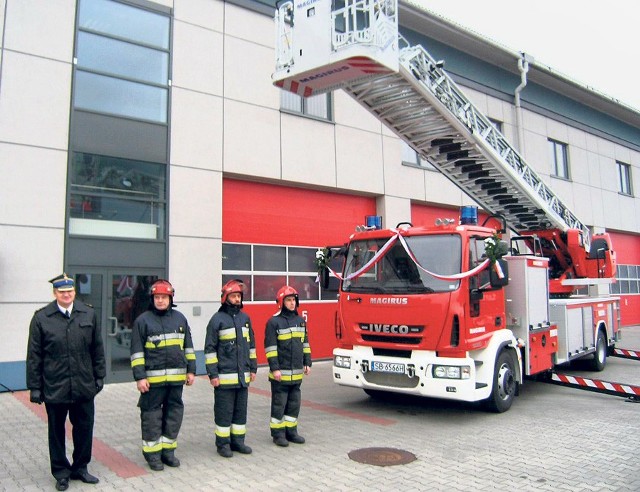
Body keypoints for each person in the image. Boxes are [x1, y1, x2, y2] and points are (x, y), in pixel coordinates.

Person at [26, 273, 106, 491]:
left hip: (83, 384)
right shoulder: (42, 318)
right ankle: (61, 472)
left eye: (70, 291)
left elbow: (97, 348)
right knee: (56, 431)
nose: (67, 295)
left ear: (74, 292)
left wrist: (99, 375)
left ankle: (81, 467)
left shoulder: (88, 313)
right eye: (62, 292)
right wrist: (35, 387)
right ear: (55, 294)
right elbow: (34, 356)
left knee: (84, 428)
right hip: (55, 385)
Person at [130, 279, 196, 471]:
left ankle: (168, 451)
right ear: (152, 299)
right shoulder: (143, 321)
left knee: (173, 415)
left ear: (170, 298)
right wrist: (140, 377)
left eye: (164, 297)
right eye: (157, 297)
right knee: (152, 417)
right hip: (152, 382)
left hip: (176, 381)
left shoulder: (180, 319)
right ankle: (152, 455)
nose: (160, 301)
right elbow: (136, 352)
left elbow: (188, 347)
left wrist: (191, 370)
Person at [204, 279, 257, 458]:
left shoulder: (245, 318)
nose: (236, 299)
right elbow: (210, 349)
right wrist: (213, 374)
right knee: (224, 412)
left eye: (239, 296)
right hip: (224, 378)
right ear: (226, 298)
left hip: (242, 378)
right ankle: (223, 444)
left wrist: (253, 369)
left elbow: (251, 345)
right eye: (233, 296)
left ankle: (238, 442)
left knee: (240, 412)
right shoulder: (217, 320)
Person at [264, 286, 312, 447]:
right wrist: (275, 368)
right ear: (281, 302)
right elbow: (270, 348)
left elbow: (305, 343)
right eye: (288, 300)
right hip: (280, 374)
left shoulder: (300, 321)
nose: (292, 303)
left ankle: (291, 431)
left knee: (294, 404)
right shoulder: (273, 322)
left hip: (297, 373)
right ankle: (278, 434)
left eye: (294, 300)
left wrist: (307, 362)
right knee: (279, 404)